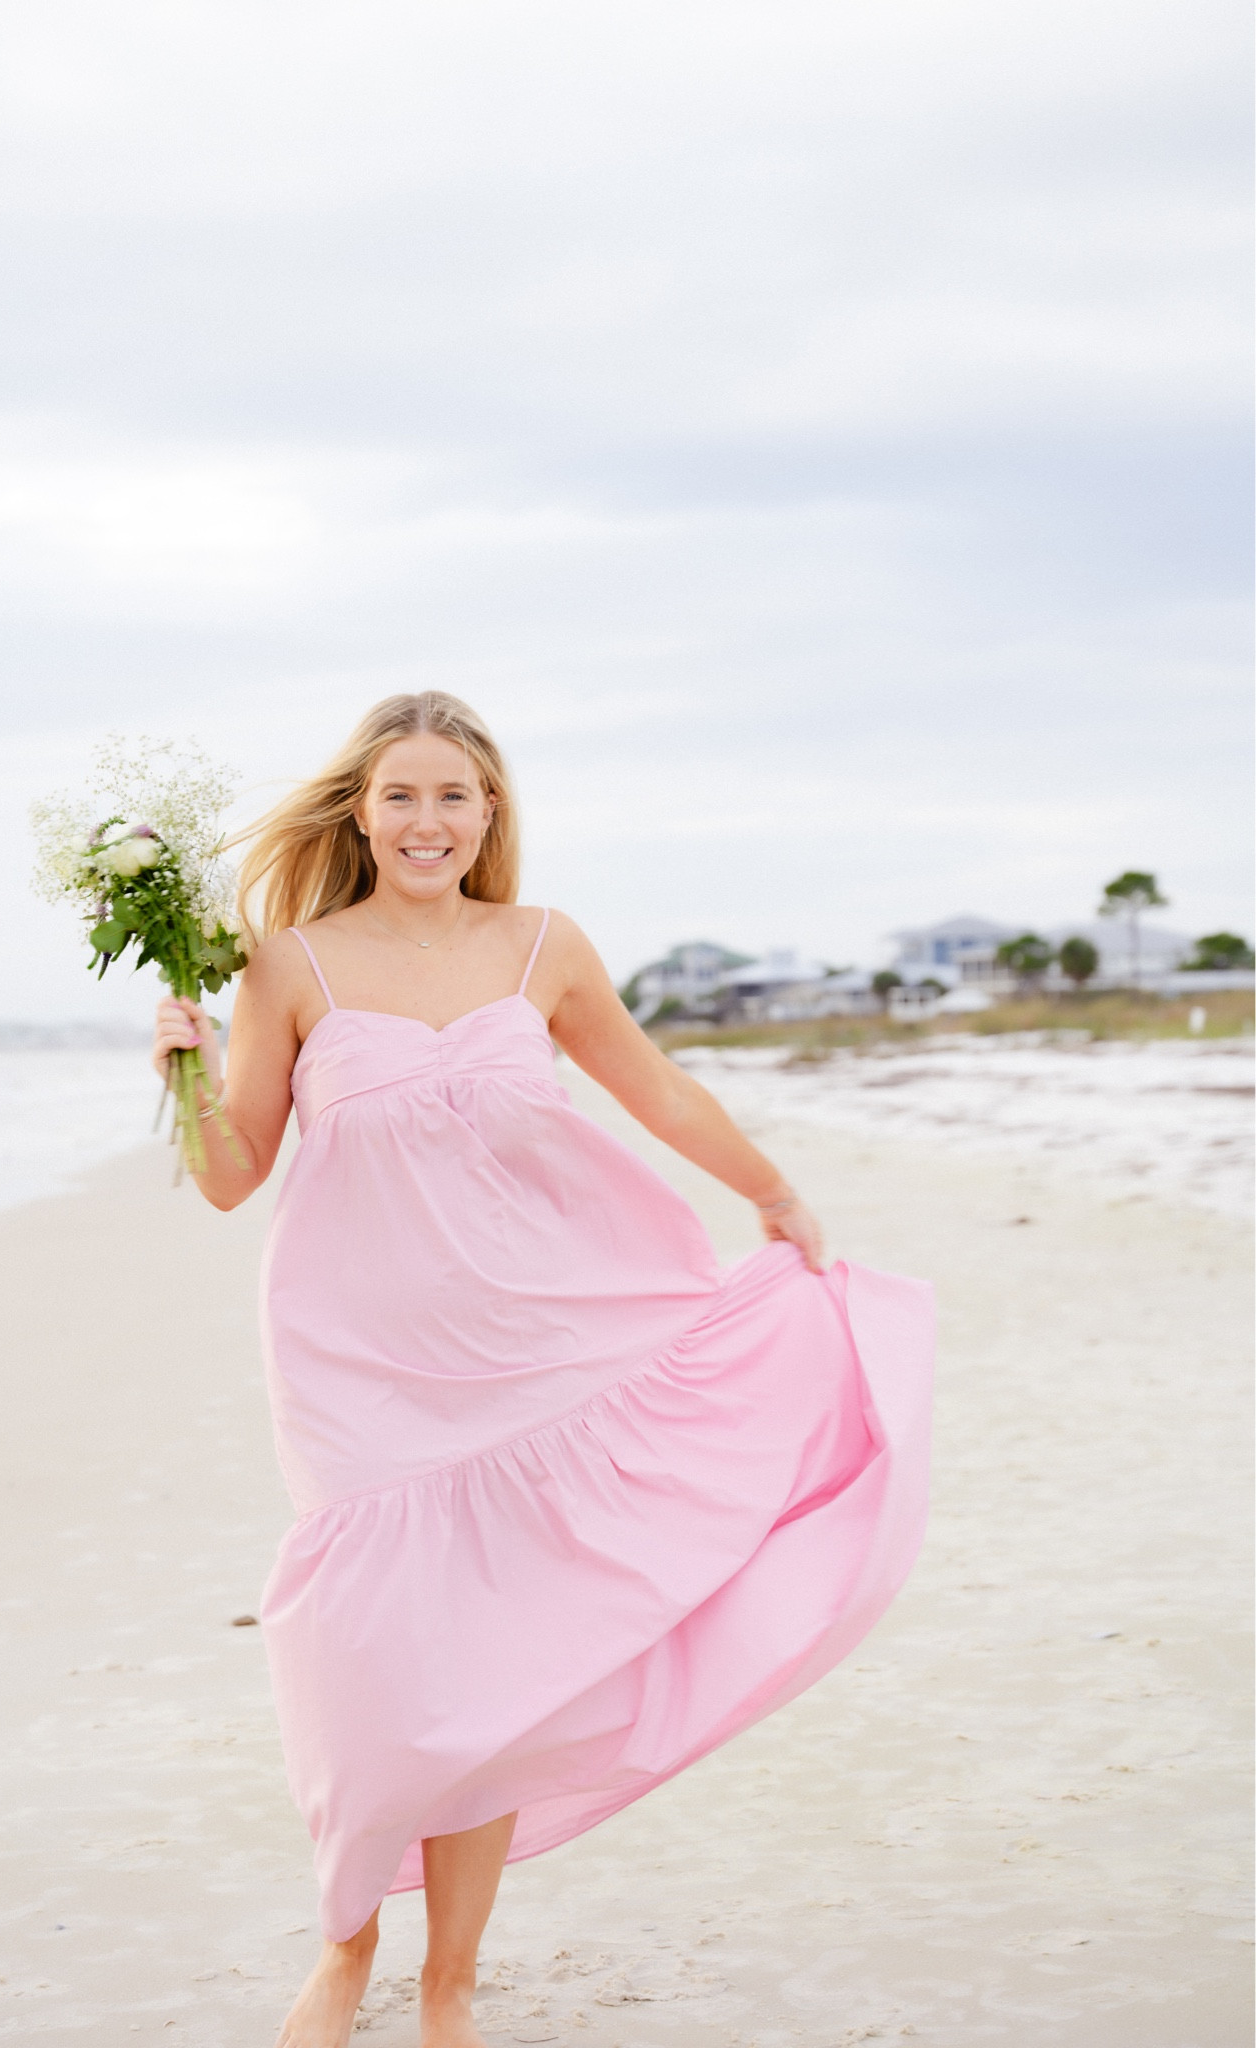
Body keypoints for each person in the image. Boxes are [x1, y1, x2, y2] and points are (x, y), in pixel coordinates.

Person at [152, 692, 933, 2048]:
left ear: (489, 813)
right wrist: (185, 1072)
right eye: (401, 795)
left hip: (540, 1343)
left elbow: (661, 1093)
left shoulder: (543, 946)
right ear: (359, 810)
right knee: (365, 1653)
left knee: (501, 1659)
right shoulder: (290, 965)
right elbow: (232, 1180)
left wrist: (774, 1191)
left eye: (454, 795)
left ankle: (449, 1984)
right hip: (362, 1372)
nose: (427, 821)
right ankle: (348, 1941)